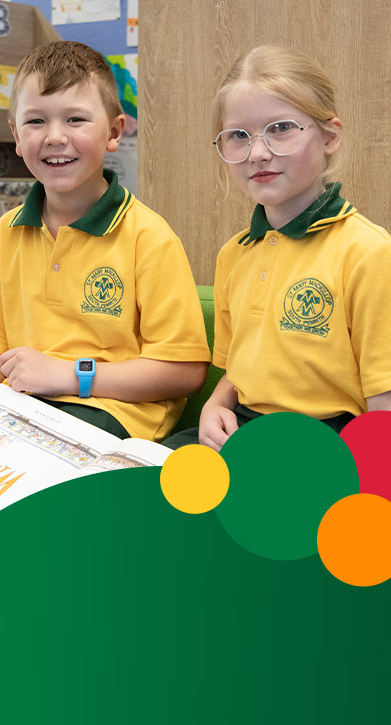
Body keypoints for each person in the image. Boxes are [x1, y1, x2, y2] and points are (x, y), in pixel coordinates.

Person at [0, 40, 210, 549]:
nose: (55, 137)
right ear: (15, 136)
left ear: (114, 132)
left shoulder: (148, 237)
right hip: (19, 410)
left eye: (76, 120)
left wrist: (71, 374)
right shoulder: (6, 232)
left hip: (110, 416)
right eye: (37, 121)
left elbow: (184, 370)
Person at [166, 44, 391, 452]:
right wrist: (215, 405)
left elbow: (383, 404)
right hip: (245, 428)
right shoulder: (234, 253)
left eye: (281, 128)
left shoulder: (369, 254)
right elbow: (240, 366)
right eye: (238, 136)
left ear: (330, 136)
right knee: (137, 486)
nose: (258, 153)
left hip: (328, 442)